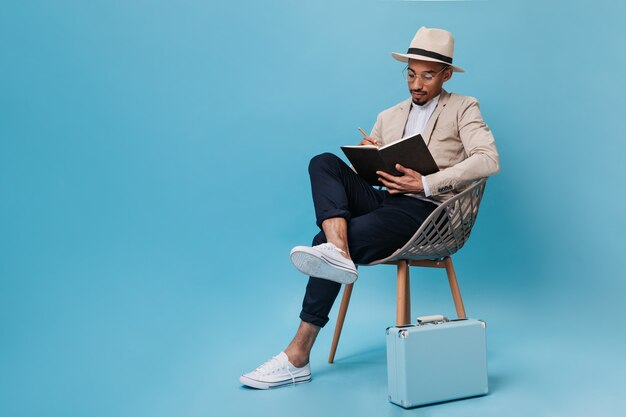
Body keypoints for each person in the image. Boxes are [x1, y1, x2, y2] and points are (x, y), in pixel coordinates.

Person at [240, 27, 500, 389]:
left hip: (428, 212)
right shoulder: (389, 115)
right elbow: (375, 176)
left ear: (445, 75)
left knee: (322, 240)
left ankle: (298, 352)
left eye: (427, 75)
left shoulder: (463, 107)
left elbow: (488, 160)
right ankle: (338, 252)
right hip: (387, 201)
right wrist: (370, 156)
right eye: (411, 74)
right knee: (323, 162)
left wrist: (424, 182)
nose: (416, 84)